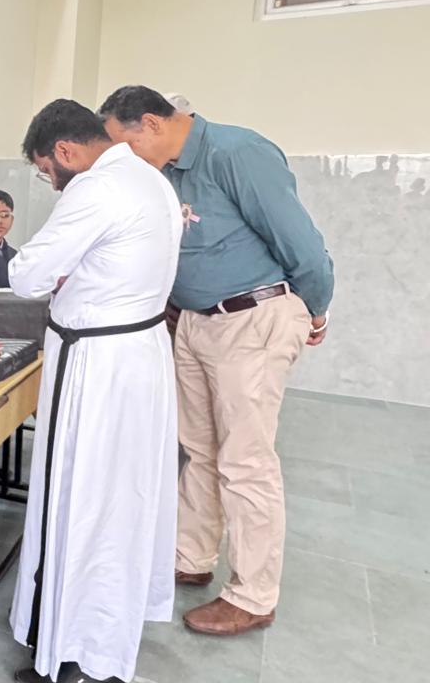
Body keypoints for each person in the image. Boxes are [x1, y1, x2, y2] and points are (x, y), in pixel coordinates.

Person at [99, 85, 335, 636]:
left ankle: (253, 595)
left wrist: (314, 310)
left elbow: (301, 244)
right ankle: (192, 555)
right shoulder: (166, 171)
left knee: (245, 460)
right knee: (199, 450)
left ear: (151, 124)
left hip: (252, 318)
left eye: (125, 145)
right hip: (194, 322)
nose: (124, 159)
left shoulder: (236, 152)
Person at [8, 100, 180, 683]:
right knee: (120, 500)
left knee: (84, 503)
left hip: (99, 367)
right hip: (138, 354)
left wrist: (57, 271)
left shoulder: (96, 188)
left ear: (64, 151)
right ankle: (95, 636)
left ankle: (79, 652)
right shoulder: (148, 178)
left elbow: (26, 275)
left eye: (45, 170)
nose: (51, 181)